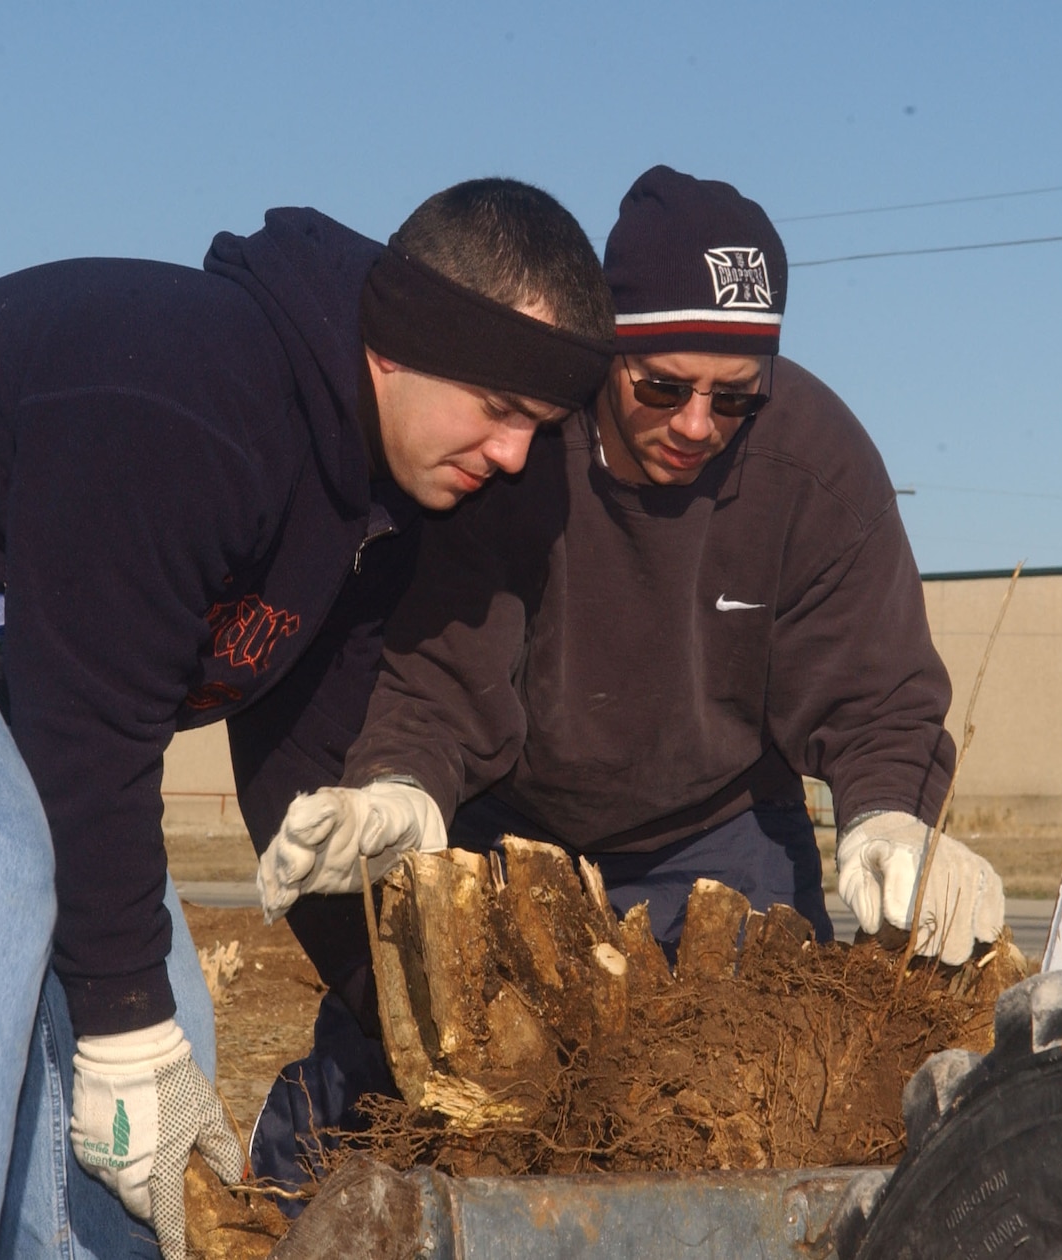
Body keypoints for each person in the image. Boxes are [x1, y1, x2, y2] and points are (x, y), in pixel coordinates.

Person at [0, 178, 613, 1260]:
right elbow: (89, 731)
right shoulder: (191, 395)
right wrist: (119, 1024)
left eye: (538, 428)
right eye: (499, 410)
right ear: (401, 342)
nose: (512, 456)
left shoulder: (372, 505)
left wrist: (395, 1009)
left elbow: (295, 761)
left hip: (2, 672)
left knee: (163, 1010)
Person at [247, 166, 1007, 1189]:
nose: (696, 423)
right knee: (401, 1068)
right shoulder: (524, 451)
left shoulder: (814, 463)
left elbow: (870, 685)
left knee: (764, 1099)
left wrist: (888, 815)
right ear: (610, 354)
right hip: (518, 822)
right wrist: (399, 787)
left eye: (732, 400)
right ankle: (275, 1204)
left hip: (721, 824)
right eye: (662, 387)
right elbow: (444, 675)